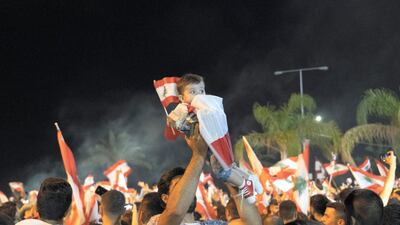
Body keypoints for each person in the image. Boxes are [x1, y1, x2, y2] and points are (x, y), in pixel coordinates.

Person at [146, 125, 261, 225]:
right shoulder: (156, 222)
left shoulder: (210, 223)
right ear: (165, 198)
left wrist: (229, 178)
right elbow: (175, 212)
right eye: (180, 185)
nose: (190, 189)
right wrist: (198, 155)